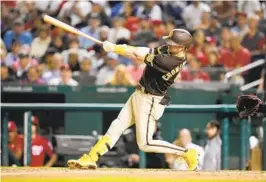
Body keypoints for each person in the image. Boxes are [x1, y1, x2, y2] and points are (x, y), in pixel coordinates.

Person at [68, 28, 199, 170]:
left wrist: (114, 48)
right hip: (139, 94)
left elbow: (138, 54)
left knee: (145, 143)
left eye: (173, 43)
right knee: (117, 125)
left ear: (182, 47)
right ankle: (91, 157)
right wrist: (117, 48)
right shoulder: (170, 51)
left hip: (150, 100)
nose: (169, 44)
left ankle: (186, 153)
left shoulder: (170, 61)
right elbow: (145, 49)